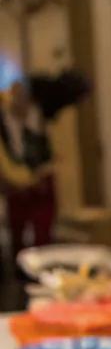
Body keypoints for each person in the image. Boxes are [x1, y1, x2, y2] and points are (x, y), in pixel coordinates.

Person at [0, 78, 56, 255]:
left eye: (24, 97)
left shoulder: (38, 117)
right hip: (15, 186)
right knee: (17, 232)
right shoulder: (4, 122)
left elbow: (47, 152)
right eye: (17, 97)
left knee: (43, 232)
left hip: (41, 183)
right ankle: (19, 273)